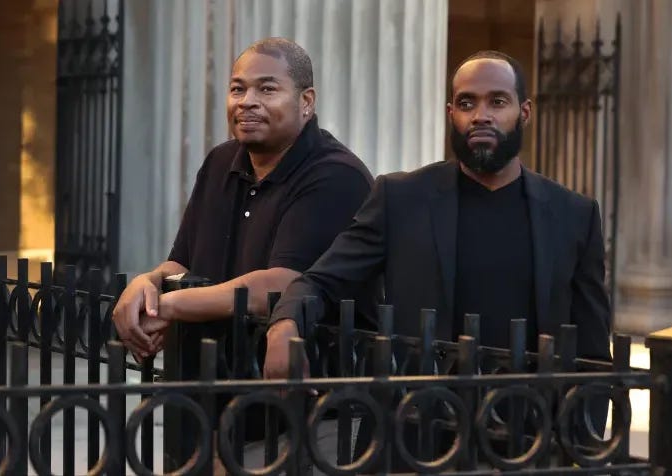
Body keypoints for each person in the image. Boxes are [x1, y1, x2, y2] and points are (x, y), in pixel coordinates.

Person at [262, 50, 612, 466]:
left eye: (497, 102)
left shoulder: (574, 214)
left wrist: (585, 448)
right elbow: (322, 279)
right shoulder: (401, 199)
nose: (480, 115)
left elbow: (593, 353)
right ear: (451, 113)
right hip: (416, 436)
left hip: (528, 442)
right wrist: (284, 324)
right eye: (467, 103)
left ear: (525, 111)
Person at [111, 36, 377, 469]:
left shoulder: (335, 176)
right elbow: (184, 261)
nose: (247, 101)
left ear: (306, 101)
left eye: (267, 89)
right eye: (238, 89)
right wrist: (148, 282)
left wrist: (169, 304)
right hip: (222, 392)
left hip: (312, 407)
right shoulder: (221, 162)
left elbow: (280, 284)